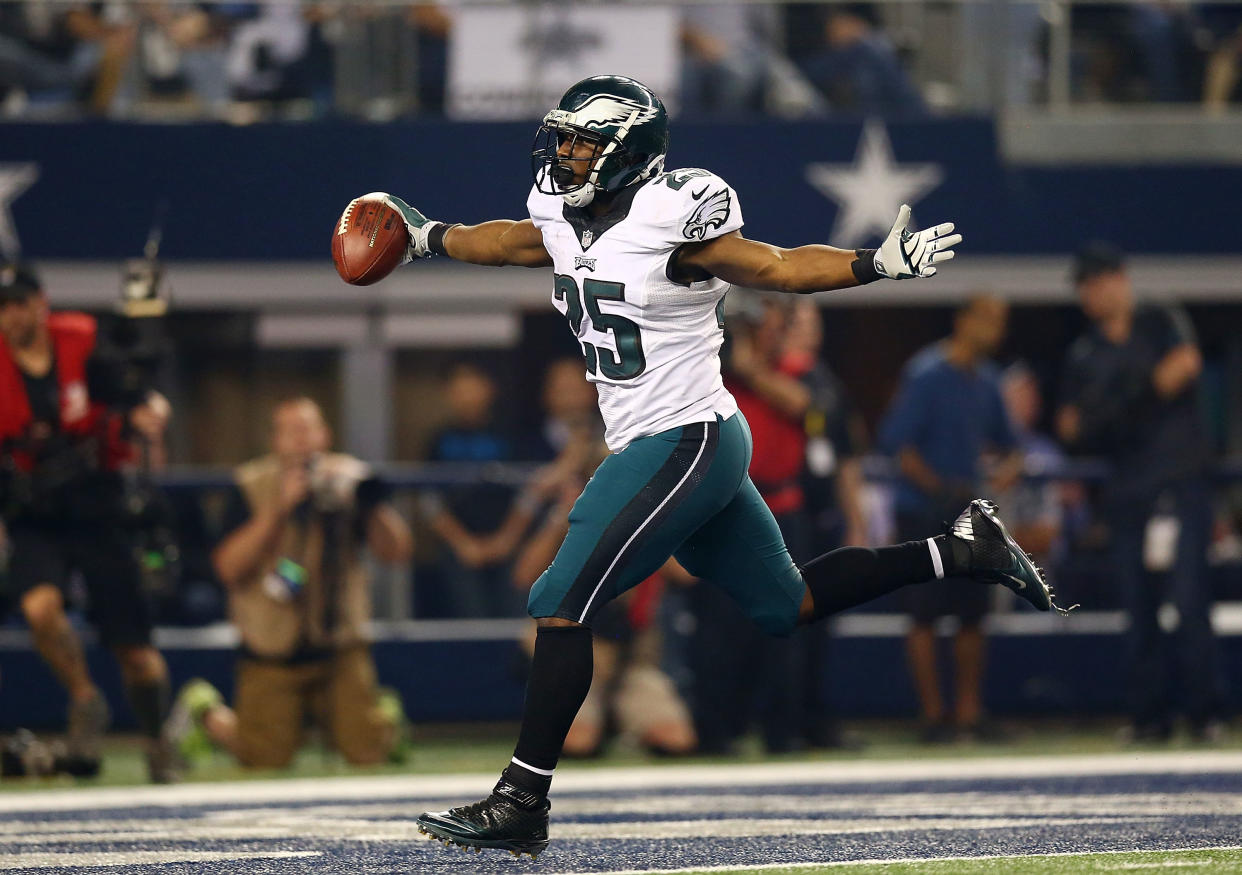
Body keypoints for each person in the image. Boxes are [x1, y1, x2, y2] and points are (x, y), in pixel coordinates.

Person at [374, 74, 1059, 858]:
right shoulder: (560, 211)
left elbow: (776, 267)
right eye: (562, 137)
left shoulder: (675, 214)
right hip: (675, 441)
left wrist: (874, 263)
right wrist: (429, 236)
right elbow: (512, 241)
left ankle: (522, 798)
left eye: (584, 142)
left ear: (629, 150)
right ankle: (962, 549)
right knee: (785, 602)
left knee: (560, 599)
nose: (566, 153)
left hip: (686, 435)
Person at [0, 263, 175, 781]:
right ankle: (84, 697)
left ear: (39, 303)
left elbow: (132, 388)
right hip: (36, 512)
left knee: (137, 654)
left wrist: (146, 410)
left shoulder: (81, 340)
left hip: (98, 504)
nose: (10, 315)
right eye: (2, 306)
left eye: (18, 303)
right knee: (39, 608)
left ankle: (156, 739)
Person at [1056, 243, 1223, 742]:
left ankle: (1205, 712)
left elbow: (1183, 368)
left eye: (1098, 280)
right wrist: (1141, 396)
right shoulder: (1085, 352)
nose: (1091, 292)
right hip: (1129, 490)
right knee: (1138, 606)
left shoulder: (1158, 321)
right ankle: (1150, 715)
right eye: (1085, 284)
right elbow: (1069, 427)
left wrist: (1112, 412)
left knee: (1190, 600)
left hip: (1178, 483)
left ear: (1120, 279)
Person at [198, 396, 414, 769]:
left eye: (309, 430)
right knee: (262, 759)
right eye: (291, 432)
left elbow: (396, 552)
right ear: (275, 441)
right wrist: (279, 509)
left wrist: (369, 503)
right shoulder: (251, 483)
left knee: (366, 754)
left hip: (339, 645)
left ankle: (383, 717)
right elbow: (227, 569)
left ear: (325, 435)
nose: (302, 441)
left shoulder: (347, 478)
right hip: (272, 649)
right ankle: (203, 712)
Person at [878, 294, 1023, 743]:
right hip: (921, 511)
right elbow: (898, 444)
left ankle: (967, 713)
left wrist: (996, 480)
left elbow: (1013, 446)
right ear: (964, 321)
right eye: (989, 319)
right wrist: (939, 489)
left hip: (968, 510)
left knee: (972, 615)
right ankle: (933, 716)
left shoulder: (988, 381)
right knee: (923, 615)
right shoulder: (926, 374)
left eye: (1001, 321)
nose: (996, 330)